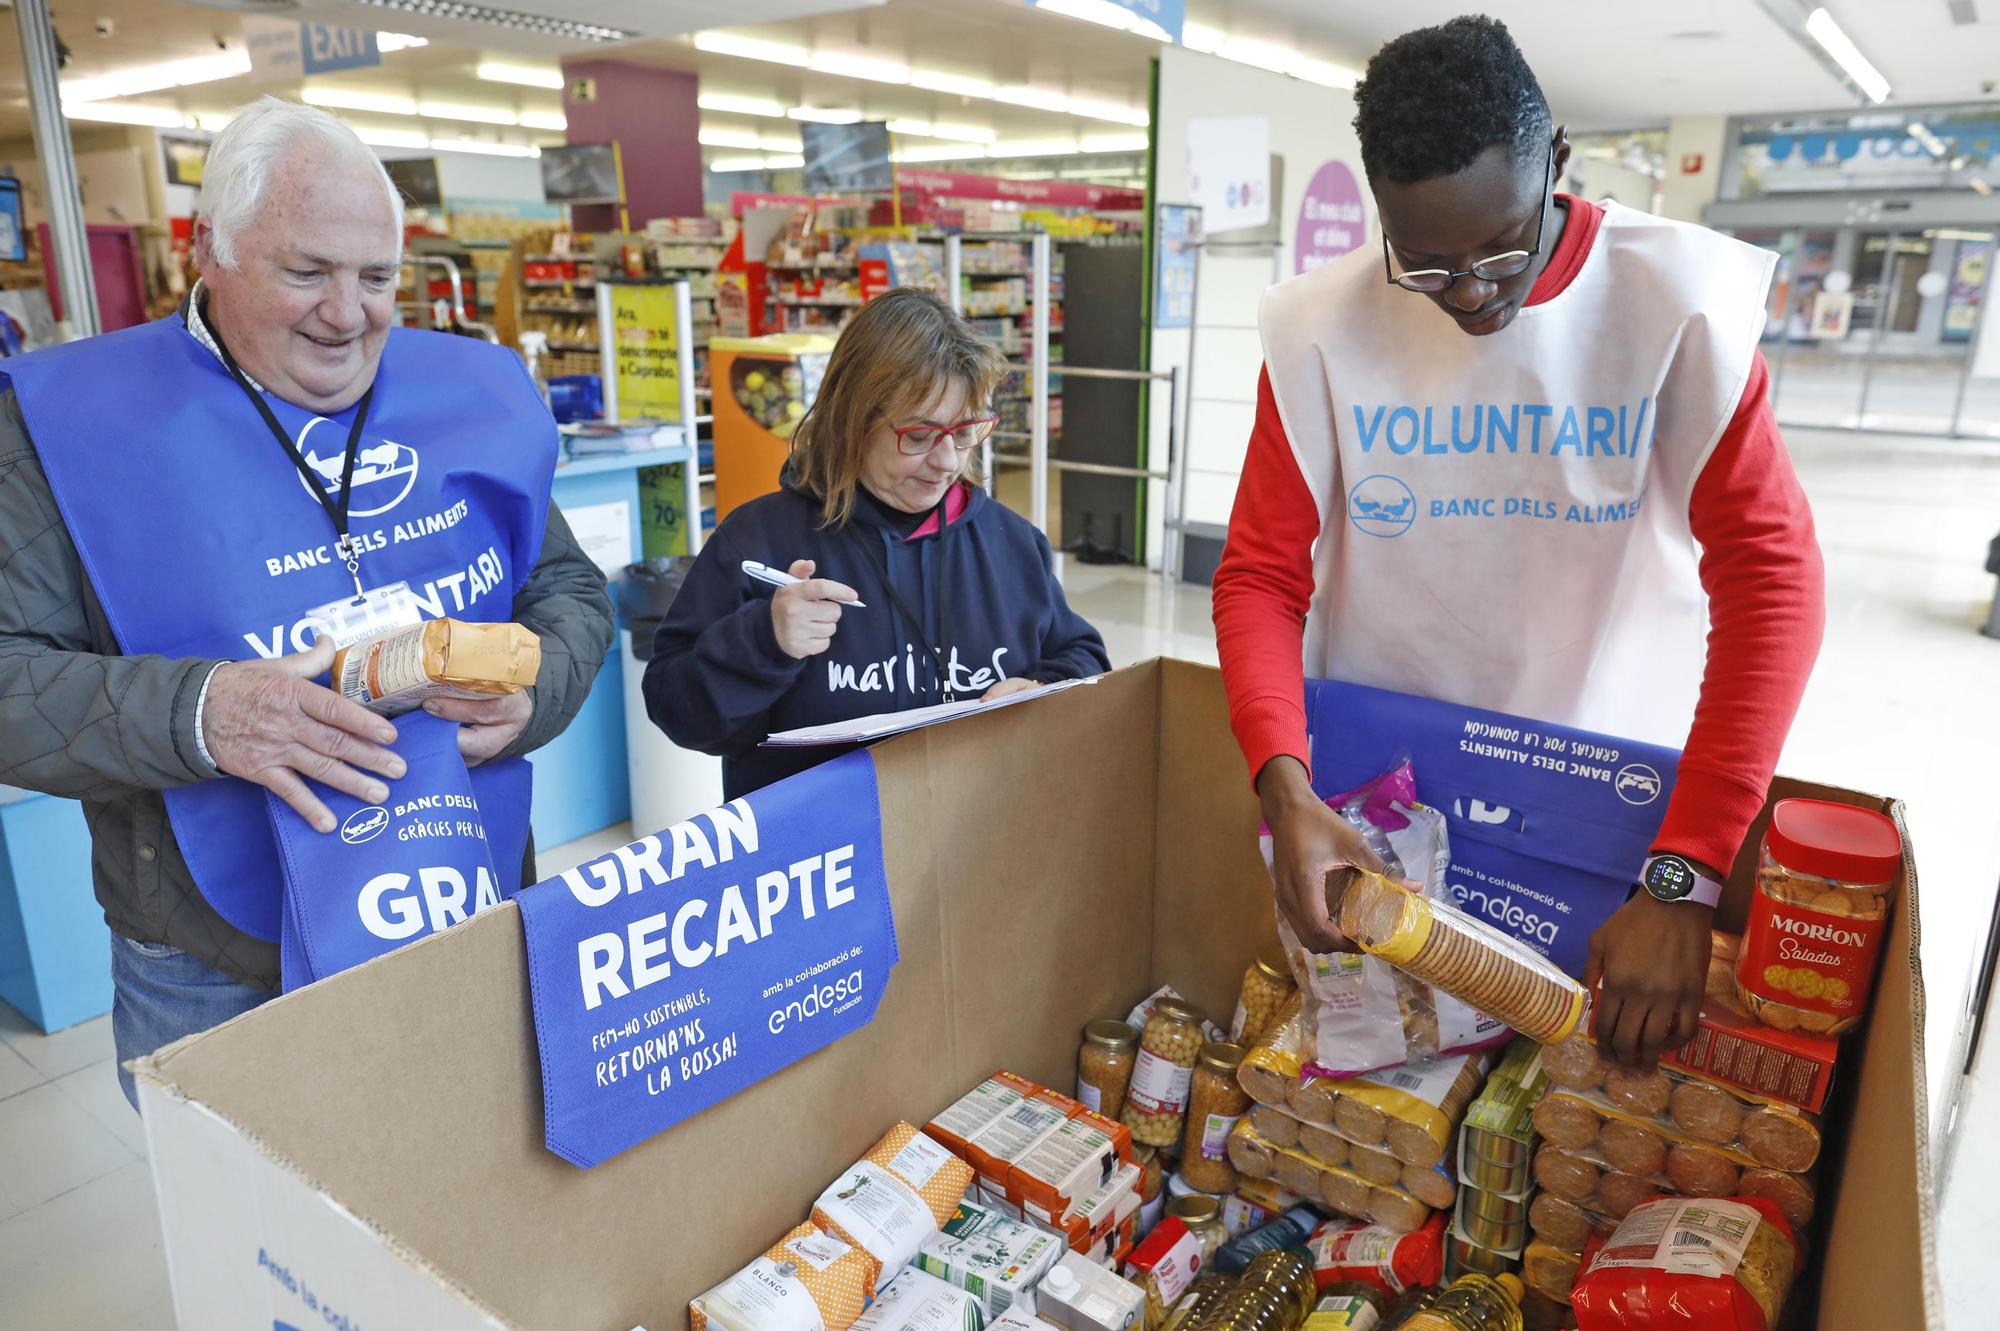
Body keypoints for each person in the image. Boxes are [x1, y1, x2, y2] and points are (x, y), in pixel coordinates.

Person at [1211, 17, 1825, 1069]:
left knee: (1566, 1090)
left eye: (1501, 247)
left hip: (1598, 799)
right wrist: (1284, 782)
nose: (1465, 292)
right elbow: (1260, 575)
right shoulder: (1317, 329)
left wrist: (1685, 874)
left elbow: (1772, 582)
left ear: (1556, 164)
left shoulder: (1673, 308)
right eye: (1424, 262)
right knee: (1389, 1089)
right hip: (1380, 807)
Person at [0, 98, 613, 1106]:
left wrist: (535, 688)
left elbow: (566, 587)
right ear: (212, 252)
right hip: (215, 959)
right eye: (307, 272)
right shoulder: (65, 429)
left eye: (377, 277)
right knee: (254, 1250)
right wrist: (205, 713)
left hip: (470, 891)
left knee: (473, 1185)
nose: (349, 312)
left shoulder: (474, 393)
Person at [645, 288, 1109, 799]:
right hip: (820, 860)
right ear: (853, 421)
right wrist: (763, 641)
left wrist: (1043, 691)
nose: (948, 462)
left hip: (974, 847)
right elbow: (677, 713)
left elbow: (1082, 656)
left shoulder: (1014, 545)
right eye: (919, 436)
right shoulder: (755, 541)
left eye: (965, 432)